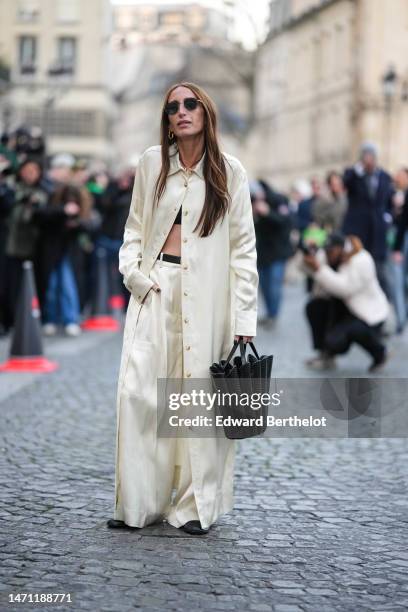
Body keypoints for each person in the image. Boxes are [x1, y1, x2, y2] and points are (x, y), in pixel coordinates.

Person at [108, 81, 258, 535]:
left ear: (206, 112)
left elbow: (244, 251)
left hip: (209, 296)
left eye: (190, 103)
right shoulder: (151, 163)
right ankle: (139, 504)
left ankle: (196, 506)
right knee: (138, 393)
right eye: (173, 106)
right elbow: (134, 229)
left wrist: (244, 319)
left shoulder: (230, 173)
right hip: (155, 289)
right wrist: (135, 276)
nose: (181, 111)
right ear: (167, 119)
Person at [304, 233, 389, 373]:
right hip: (346, 311)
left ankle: (380, 353)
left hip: (368, 313)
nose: (328, 254)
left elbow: (345, 289)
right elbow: (308, 270)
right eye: (326, 251)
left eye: (330, 251)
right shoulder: (333, 257)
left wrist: (319, 268)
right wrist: (307, 254)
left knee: (352, 331)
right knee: (315, 306)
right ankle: (325, 354)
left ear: (339, 249)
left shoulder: (361, 259)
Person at [342, 142, 394, 296]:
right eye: (366, 156)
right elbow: (345, 183)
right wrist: (359, 170)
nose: (369, 160)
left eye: (371, 156)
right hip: (358, 230)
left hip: (378, 231)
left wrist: (387, 217)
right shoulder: (353, 174)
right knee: (357, 266)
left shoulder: (384, 176)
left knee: (379, 270)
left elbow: (388, 201)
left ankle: (383, 303)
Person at [250, 179, 293, 327]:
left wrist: (268, 213)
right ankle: (269, 313)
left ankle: (273, 315)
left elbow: (285, 222)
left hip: (277, 252)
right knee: (264, 287)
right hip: (262, 252)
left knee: (274, 285)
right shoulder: (250, 203)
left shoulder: (277, 199)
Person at [390, 168, 408, 333]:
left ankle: (402, 319)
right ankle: (401, 319)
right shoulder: (395, 194)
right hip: (402, 241)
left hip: (403, 241)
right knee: (398, 281)